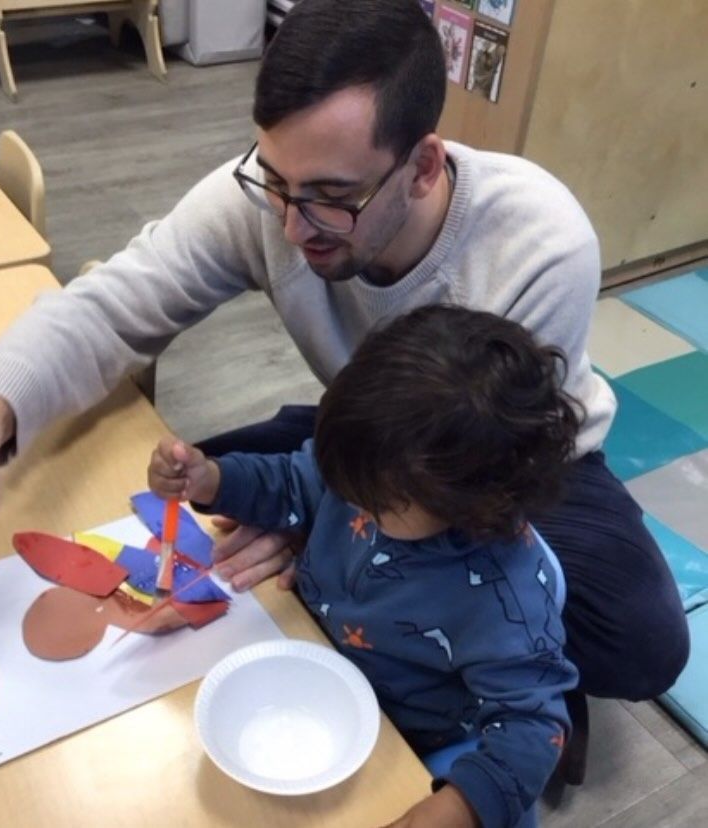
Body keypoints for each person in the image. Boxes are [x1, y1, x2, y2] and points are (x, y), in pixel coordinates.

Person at [0, 0, 687, 704]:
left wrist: (327, 519)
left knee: (641, 639)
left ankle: (500, 677)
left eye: (332, 199)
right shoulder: (278, 195)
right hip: (359, 431)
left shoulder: (539, 243)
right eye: (274, 181)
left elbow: (464, 471)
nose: (293, 226)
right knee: (181, 492)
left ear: (422, 167)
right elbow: (106, 309)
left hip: (516, 464)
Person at [149, 305, 581, 828]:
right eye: (347, 484)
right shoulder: (372, 466)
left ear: (472, 505)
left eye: (375, 501)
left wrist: (457, 806)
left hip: (419, 739)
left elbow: (534, 728)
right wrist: (212, 480)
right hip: (313, 671)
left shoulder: (502, 599)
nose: (351, 503)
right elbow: (292, 481)